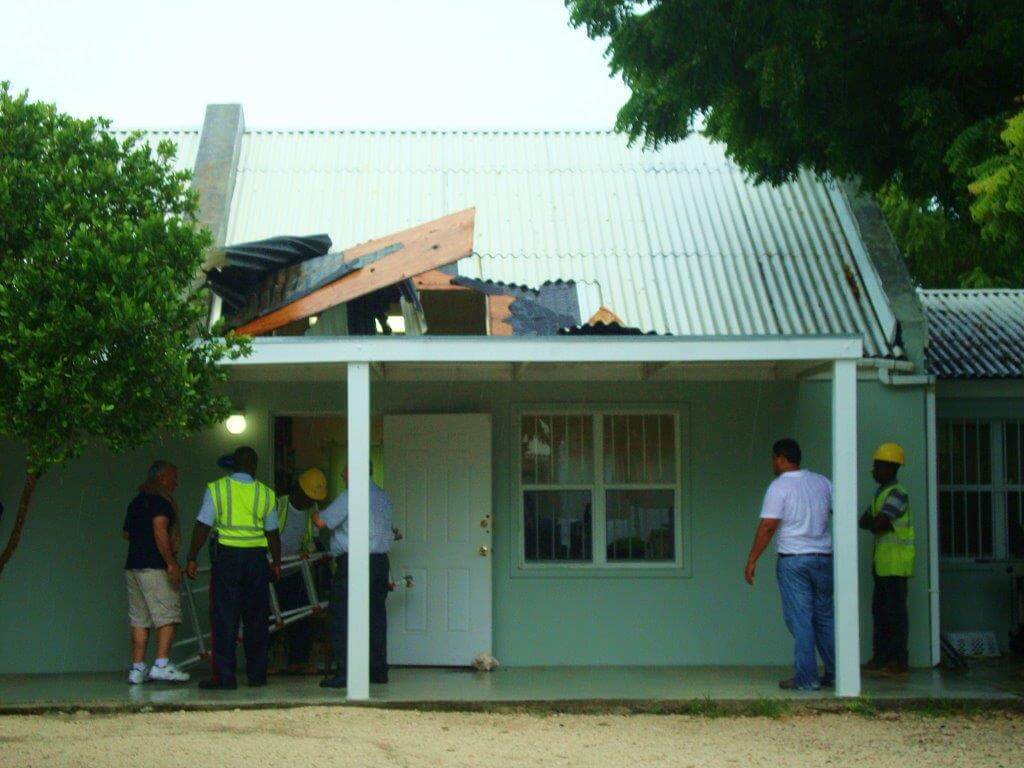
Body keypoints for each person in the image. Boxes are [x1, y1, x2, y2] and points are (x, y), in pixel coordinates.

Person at [185, 446, 282, 690]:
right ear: (254, 466)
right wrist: (277, 562)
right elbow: (272, 533)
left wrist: (192, 557)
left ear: (233, 464)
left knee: (224, 619)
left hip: (227, 560)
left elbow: (203, 525)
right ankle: (257, 676)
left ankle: (225, 678)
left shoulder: (216, 489)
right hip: (256, 562)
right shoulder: (266, 494)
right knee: (257, 620)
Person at [745, 438, 835, 691]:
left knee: (801, 619)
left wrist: (752, 559)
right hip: (823, 557)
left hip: (794, 560)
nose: (772, 463)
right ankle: (836, 673)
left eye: (774, 458)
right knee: (824, 617)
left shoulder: (780, 486)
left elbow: (768, 526)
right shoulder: (823, 482)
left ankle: (806, 678)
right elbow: (836, 512)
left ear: (782, 458)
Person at [313, 464, 394, 687]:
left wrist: (314, 511)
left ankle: (346, 673)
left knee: (342, 616)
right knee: (375, 617)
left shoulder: (351, 494)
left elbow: (321, 522)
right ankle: (378, 671)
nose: (342, 474)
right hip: (379, 562)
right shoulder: (383, 496)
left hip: (355, 562)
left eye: (345, 470)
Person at [122, 460, 190, 684]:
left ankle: (137, 669)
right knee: (168, 615)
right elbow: (160, 530)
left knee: (139, 619)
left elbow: (126, 534)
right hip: (155, 567)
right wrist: (171, 563)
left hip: (133, 566)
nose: (176, 482)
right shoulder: (161, 502)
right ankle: (161, 664)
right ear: (161, 478)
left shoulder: (136, 501)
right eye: (173, 477)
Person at [859, 442, 914, 678]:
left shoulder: (897, 494)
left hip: (896, 565)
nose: (873, 470)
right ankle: (880, 658)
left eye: (877, 466)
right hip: (883, 565)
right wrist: (875, 522)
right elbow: (864, 522)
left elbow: (877, 524)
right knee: (880, 613)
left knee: (895, 615)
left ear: (891, 467)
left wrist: (875, 522)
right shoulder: (881, 494)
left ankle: (898, 661)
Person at [273, 468, 327, 674]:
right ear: (298, 490)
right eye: (308, 497)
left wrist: (319, 555)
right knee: (270, 616)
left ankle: (299, 661)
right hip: (272, 569)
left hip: (296, 570)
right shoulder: (278, 505)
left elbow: (314, 540)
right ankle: (269, 661)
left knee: (301, 615)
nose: (310, 502)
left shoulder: (313, 510)